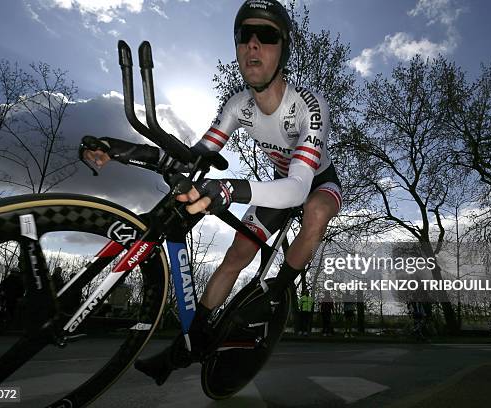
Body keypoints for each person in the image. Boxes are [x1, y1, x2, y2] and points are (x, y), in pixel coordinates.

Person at [83, 0, 342, 384]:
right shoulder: (238, 105)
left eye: (266, 36)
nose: (252, 45)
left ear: (283, 49)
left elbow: (298, 188)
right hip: (277, 186)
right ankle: (187, 344)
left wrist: (227, 189)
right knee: (236, 255)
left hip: (316, 183)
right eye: (244, 36)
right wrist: (124, 150)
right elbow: (195, 156)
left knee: (316, 213)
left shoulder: (307, 105)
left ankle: (275, 295)